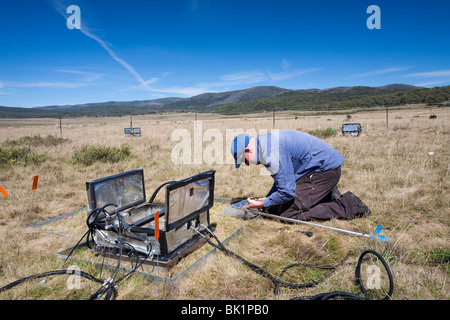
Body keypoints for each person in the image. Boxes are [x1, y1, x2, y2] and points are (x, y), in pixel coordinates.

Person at [230, 130, 371, 221]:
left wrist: (263, 203)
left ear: (247, 150)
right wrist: (268, 198)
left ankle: (348, 205)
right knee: (278, 205)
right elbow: (282, 180)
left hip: (325, 171)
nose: (247, 165)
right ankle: (326, 193)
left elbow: (287, 192)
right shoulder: (265, 143)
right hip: (317, 169)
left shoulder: (270, 153)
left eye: (245, 161)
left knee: (288, 215)